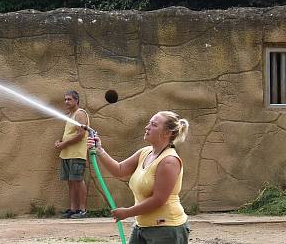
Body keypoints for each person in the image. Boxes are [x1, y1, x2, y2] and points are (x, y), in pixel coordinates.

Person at [88, 111, 190, 243]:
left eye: (153, 125)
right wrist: (100, 150)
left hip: (167, 229)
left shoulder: (169, 161)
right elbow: (119, 170)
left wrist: (127, 212)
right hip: (143, 226)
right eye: (149, 123)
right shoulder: (145, 152)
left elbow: (158, 200)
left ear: (167, 133)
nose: (147, 127)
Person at [55, 90, 90, 219]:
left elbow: (81, 134)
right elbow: (69, 133)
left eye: (69, 99)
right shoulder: (70, 115)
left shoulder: (80, 114)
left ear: (76, 100)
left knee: (78, 180)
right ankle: (73, 209)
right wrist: (60, 142)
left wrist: (64, 144)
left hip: (77, 154)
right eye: (65, 99)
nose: (66, 102)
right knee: (70, 182)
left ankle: (82, 210)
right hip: (66, 154)